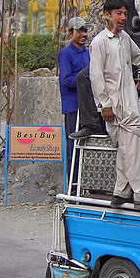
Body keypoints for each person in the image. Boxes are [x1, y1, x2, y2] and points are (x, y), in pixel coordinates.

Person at [89, 0, 140, 211]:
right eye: (118, 14)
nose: (123, 17)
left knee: (129, 147)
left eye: (124, 13)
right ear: (107, 15)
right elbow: (96, 76)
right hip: (115, 106)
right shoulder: (100, 42)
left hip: (128, 102)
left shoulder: (124, 39)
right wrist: (104, 105)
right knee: (133, 150)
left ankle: (120, 193)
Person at [70, 0, 140, 140]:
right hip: (114, 59)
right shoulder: (108, 13)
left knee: (137, 104)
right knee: (85, 77)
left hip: (131, 58)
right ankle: (93, 124)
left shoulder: (136, 1)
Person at [57, 17, 90, 175]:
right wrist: (85, 80)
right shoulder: (66, 54)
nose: (83, 34)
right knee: (73, 148)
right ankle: (73, 187)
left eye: (85, 31)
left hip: (87, 108)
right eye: (79, 31)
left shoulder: (87, 53)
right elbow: (66, 80)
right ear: (71, 33)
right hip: (73, 107)